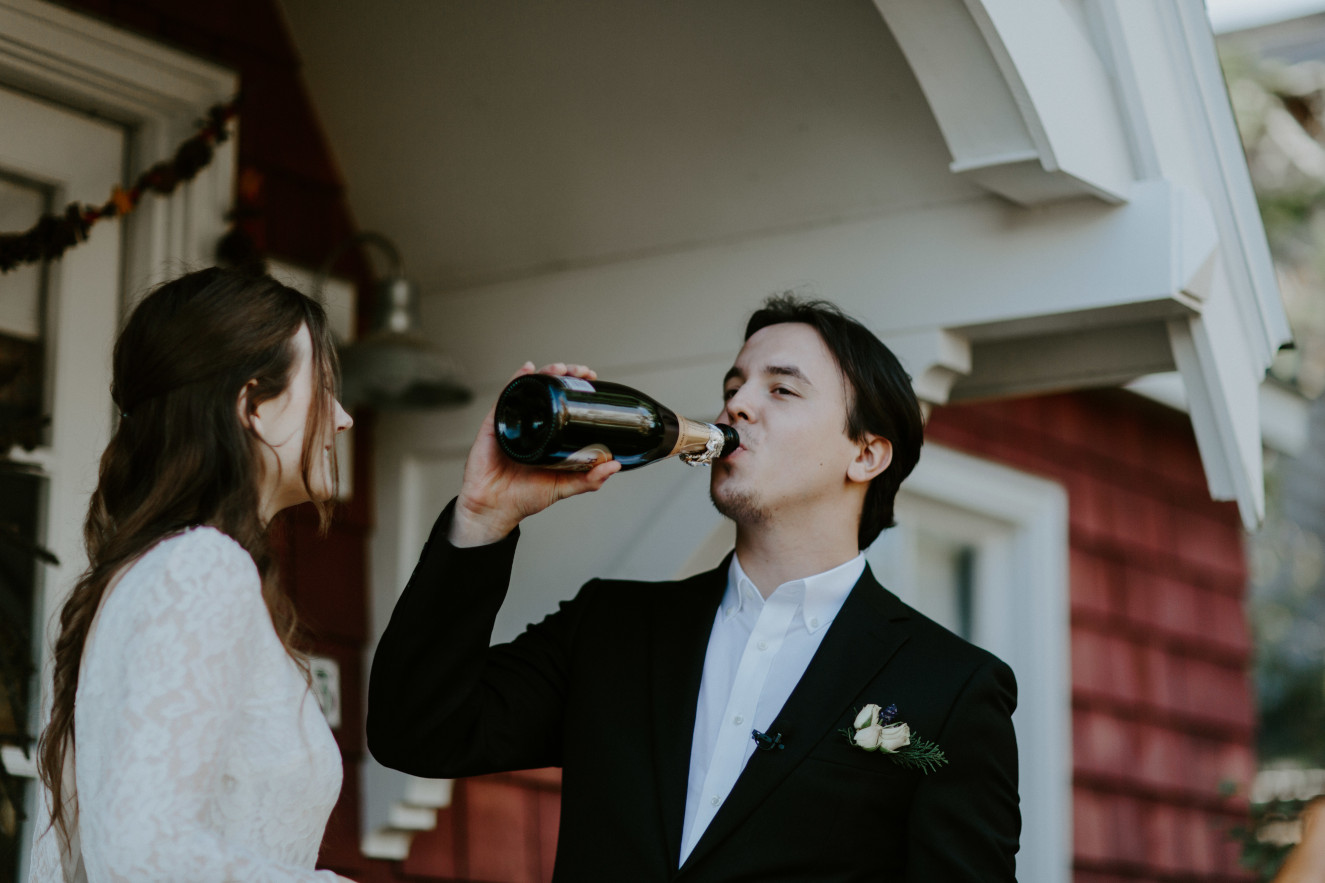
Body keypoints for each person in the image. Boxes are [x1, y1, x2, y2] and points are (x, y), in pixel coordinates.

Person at [368, 295, 1020, 880]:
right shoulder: (612, 626)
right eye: (733, 385)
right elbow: (417, 731)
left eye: (782, 390)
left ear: (866, 454)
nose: (735, 404)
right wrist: (484, 515)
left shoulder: (951, 688)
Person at [28, 267, 355, 882]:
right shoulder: (199, 569)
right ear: (252, 405)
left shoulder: (142, 576)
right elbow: (143, 852)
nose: (342, 418)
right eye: (326, 389)